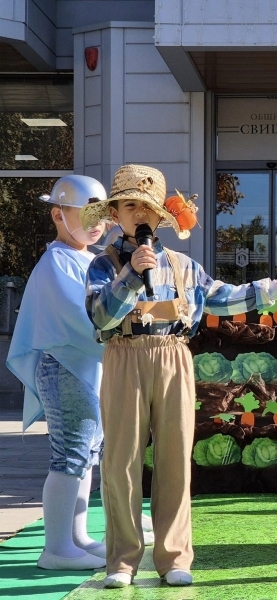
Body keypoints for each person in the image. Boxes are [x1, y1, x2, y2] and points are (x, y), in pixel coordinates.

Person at [80, 164, 277, 588]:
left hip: (173, 356)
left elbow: (222, 298)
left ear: (159, 217)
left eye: (147, 207)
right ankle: (123, 561)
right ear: (115, 214)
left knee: (174, 460)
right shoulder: (104, 264)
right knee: (121, 462)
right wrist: (132, 275)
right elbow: (99, 316)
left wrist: (274, 287)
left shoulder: (184, 266)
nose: (140, 214)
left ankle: (173, 558)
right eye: (130, 205)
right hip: (125, 354)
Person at [6, 176, 108, 570]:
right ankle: (56, 548)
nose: (97, 223)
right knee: (70, 455)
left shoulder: (83, 258)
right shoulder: (57, 261)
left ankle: (74, 537)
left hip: (81, 369)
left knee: (83, 455)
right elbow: (80, 318)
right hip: (66, 367)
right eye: (88, 214)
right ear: (58, 214)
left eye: (102, 215)